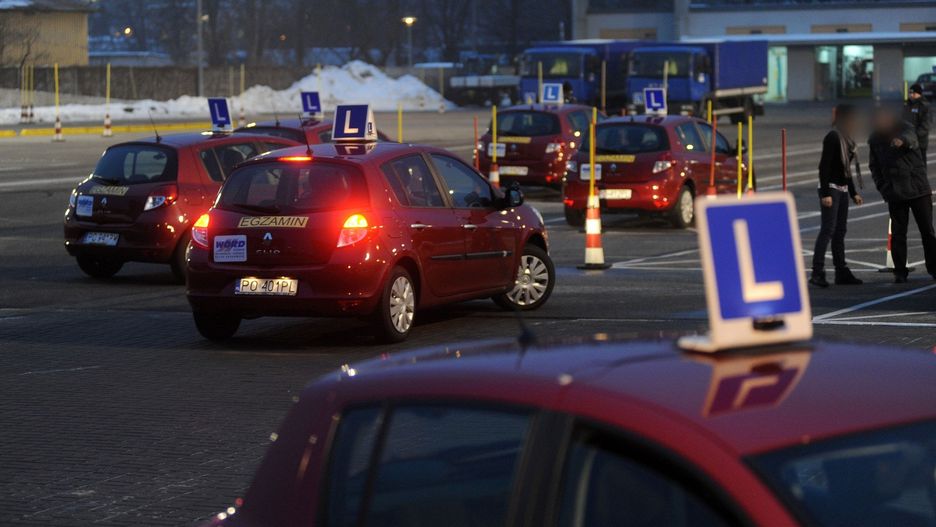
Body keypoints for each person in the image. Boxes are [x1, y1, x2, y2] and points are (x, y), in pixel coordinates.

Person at [868, 106, 936, 283]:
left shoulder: (904, 127)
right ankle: (900, 271)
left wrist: (902, 141)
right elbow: (874, 167)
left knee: (927, 231)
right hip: (895, 192)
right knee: (898, 233)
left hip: (918, 189)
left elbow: (913, 139)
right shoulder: (875, 139)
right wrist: (883, 188)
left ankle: (934, 268)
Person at [810, 104, 864, 288]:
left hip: (841, 189)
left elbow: (846, 170)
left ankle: (841, 271)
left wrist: (853, 192)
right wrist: (825, 193)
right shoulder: (833, 137)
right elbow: (824, 167)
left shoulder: (847, 139)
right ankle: (817, 273)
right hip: (831, 188)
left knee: (840, 231)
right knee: (828, 230)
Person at [904, 83, 930, 166]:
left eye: (913, 93)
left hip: (919, 142)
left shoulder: (924, 106)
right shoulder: (907, 105)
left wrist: (914, 136)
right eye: (910, 93)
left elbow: (925, 126)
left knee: (920, 166)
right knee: (909, 166)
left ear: (919, 94)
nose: (911, 95)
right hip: (907, 141)